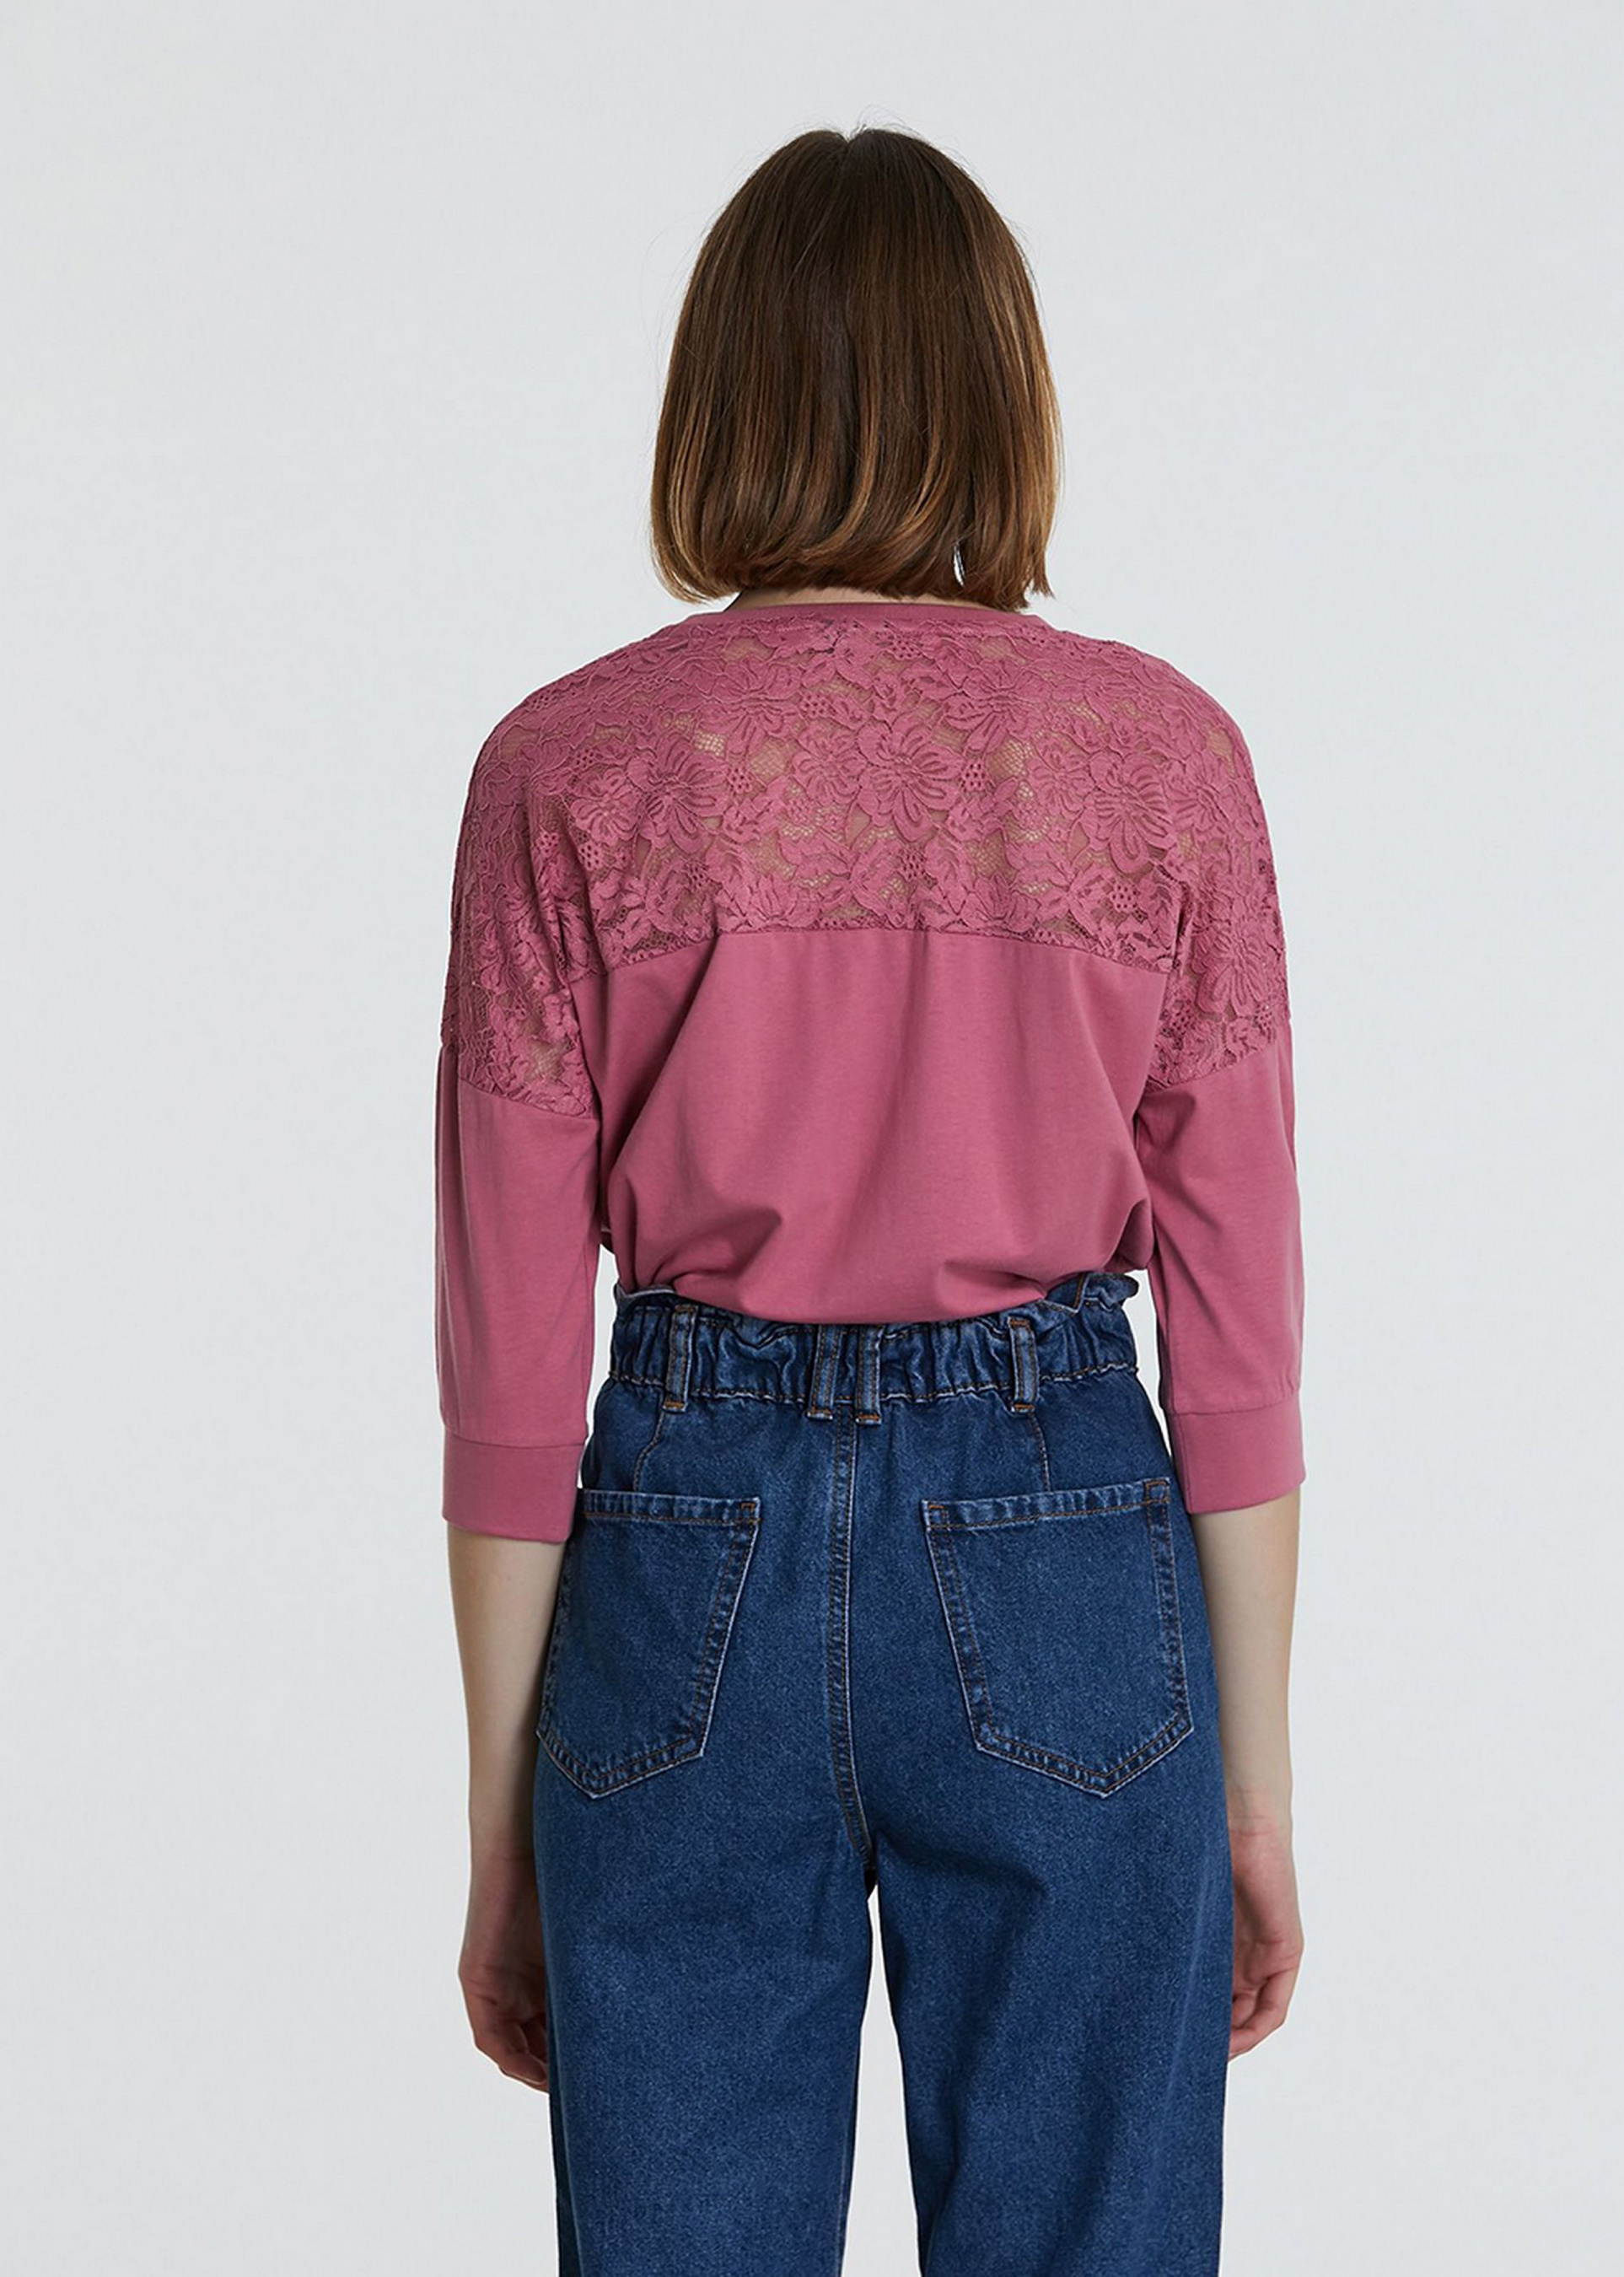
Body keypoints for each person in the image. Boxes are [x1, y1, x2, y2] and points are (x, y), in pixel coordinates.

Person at [435, 124, 1305, 2277]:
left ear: (715, 395)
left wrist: (501, 1814)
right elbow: (1237, 1331)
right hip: (1063, 1539)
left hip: (681, 1549)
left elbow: (511, 1366)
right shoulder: (1159, 758)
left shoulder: (567, 768)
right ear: (1003, 395)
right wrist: (1252, 1782)